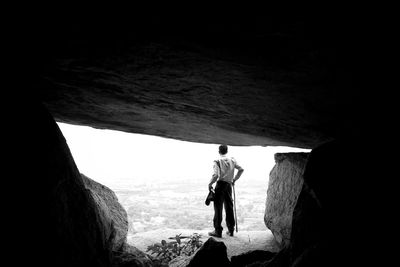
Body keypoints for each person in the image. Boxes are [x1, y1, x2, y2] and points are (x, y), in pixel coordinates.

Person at [208, 144, 244, 238]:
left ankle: (218, 231)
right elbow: (241, 169)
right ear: (227, 151)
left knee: (218, 208)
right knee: (229, 207)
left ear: (219, 151)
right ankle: (231, 230)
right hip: (228, 185)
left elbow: (216, 175)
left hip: (220, 185)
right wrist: (234, 179)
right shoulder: (232, 160)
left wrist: (210, 184)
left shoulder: (217, 161)